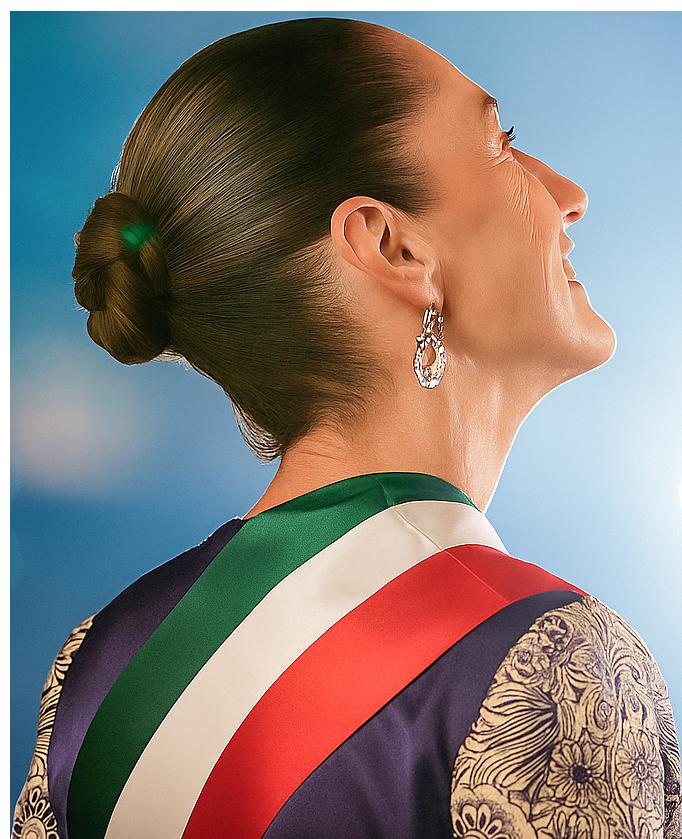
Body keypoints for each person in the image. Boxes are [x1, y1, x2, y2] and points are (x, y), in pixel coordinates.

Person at [12, 16, 681, 839]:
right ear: (392, 247)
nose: (569, 194)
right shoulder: (555, 665)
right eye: (502, 145)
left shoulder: (95, 670)